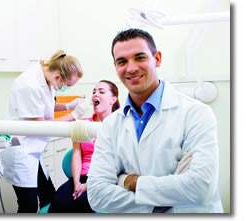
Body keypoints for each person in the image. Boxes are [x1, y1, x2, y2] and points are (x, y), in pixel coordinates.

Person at [87, 28, 223, 213]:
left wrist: (127, 181)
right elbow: (97, 195)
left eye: (140, 57)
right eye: (122, 61)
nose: (131, 68)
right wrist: (166, 197)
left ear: (157, 59)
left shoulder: (197, 114)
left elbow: (200, 186)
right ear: (116, 67)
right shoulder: (110, 125)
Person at [0, 50, 86, 213]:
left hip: (33, 150)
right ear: (58, 77)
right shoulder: (29, 84)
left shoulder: (47, 77)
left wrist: (68, 106)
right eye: (67, 86)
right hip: (22, 149)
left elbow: (44, 105)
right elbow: (42, 125)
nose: (65, 89)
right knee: (28, 206)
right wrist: (73, 115)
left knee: (48, 197)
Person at [48, 80, 120, 213]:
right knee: (59, 201)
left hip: (105, 179)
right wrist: (77, 183)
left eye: (101, 91)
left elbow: (120, 164)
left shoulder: (120, 126)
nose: (95, 94)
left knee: (82, 204)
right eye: (94, 91)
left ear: (113, 99)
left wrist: (88, 185)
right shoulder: (83, 125)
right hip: (81, 177)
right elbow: (77, 154)